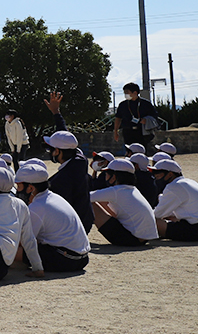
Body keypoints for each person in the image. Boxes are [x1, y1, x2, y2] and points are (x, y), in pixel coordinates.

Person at [14, 162, 91, 273]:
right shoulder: (52, 197)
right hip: (81, 258)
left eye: (19, 186)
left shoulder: (37, 207)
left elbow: (23, 241)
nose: (17, 190)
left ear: (30, 188)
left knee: (8, 249)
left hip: (66, 259)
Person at [42, 92, 93, 233]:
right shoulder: (79, 159)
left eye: (51, 149)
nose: (50, 152)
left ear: (58, 151)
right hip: (85, 222)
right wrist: (56, 112)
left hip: (71, 229)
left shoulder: (62, 179)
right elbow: (64, 135)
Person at [89, 159, 158, 247]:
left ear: (114, 177)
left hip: (130, 239)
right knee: (99, 200)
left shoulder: (116, 191)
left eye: (106, 173)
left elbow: (85, 197)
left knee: (89, 204)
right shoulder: (133, 189)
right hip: (143, 239)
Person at [150, 160, 198, 242]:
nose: (156, 178)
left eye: (158, 175)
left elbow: (157, 214)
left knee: (153, 221)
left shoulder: (174, 186)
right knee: (170, 217)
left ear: (170, 174)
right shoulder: (189, 182)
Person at [114, 82, 159, 152]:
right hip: (127, 131)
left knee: (142, 152)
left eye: (127, 92)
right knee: (129, 152)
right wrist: (116, 131)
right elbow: (118, 118)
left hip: (142, 132)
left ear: (135, 92)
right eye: (124, 92)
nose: (125, 94)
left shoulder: (146, 104)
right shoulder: (123, 105)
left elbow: (155, 116)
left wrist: (146, 120)